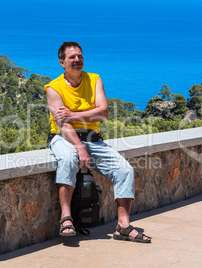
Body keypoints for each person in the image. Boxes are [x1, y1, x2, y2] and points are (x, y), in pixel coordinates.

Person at [44, 41, 151, 243]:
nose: (77, 60)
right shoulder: (54, 88)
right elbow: (64, 126)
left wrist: (73, 114)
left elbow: (103, 112)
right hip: (64, 138)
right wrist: (80, 148)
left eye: (80, 56)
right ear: (62, 62)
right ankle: (66, 218)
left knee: (125, 170)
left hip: (93, 139)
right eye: (72, 57)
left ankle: (123, 226)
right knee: (68, 159)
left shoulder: (94, 79)